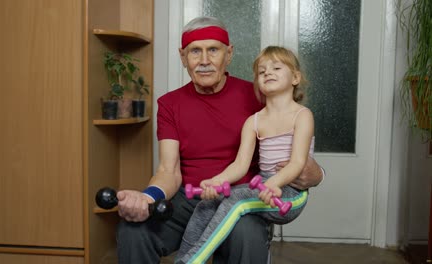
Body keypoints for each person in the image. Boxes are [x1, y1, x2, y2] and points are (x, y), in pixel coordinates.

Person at [115, 16, 323, 264]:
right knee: (133, 230)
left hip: (242, 196)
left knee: (247, 234)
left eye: (213, 50)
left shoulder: (259, 94)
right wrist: (147, 197)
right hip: (191, 196)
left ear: (229, 54)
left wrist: (318, 173)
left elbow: (294, 145)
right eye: (195, 52)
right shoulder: (169, 104)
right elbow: (168, 170)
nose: (204, 61)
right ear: (183, 57)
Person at [175, 46, 315, 264]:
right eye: (262, 71)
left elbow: (297, 162)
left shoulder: (302, 115)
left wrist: (275, 183)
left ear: (295, 77)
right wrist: (215, 182)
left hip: (290, 193)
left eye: (276, 67)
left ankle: (192, 261)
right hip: (263, 187)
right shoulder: (254, 121)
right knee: (208, 204)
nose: (268, 72)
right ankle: (182, 258)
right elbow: (240, 165)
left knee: (237, 201)